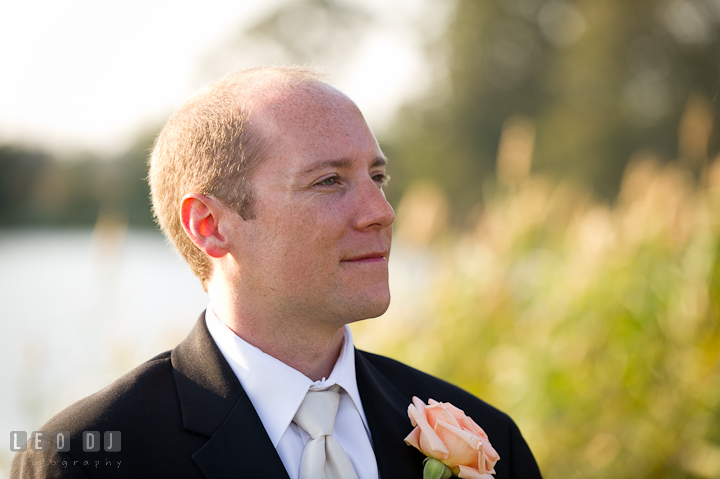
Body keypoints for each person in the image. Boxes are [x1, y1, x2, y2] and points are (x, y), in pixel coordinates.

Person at [11, 66, 542, 478]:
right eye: (329, 181)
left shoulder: (486, 441)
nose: (381, 211)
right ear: (211, 225)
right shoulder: (85, 458)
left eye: (377, 176)